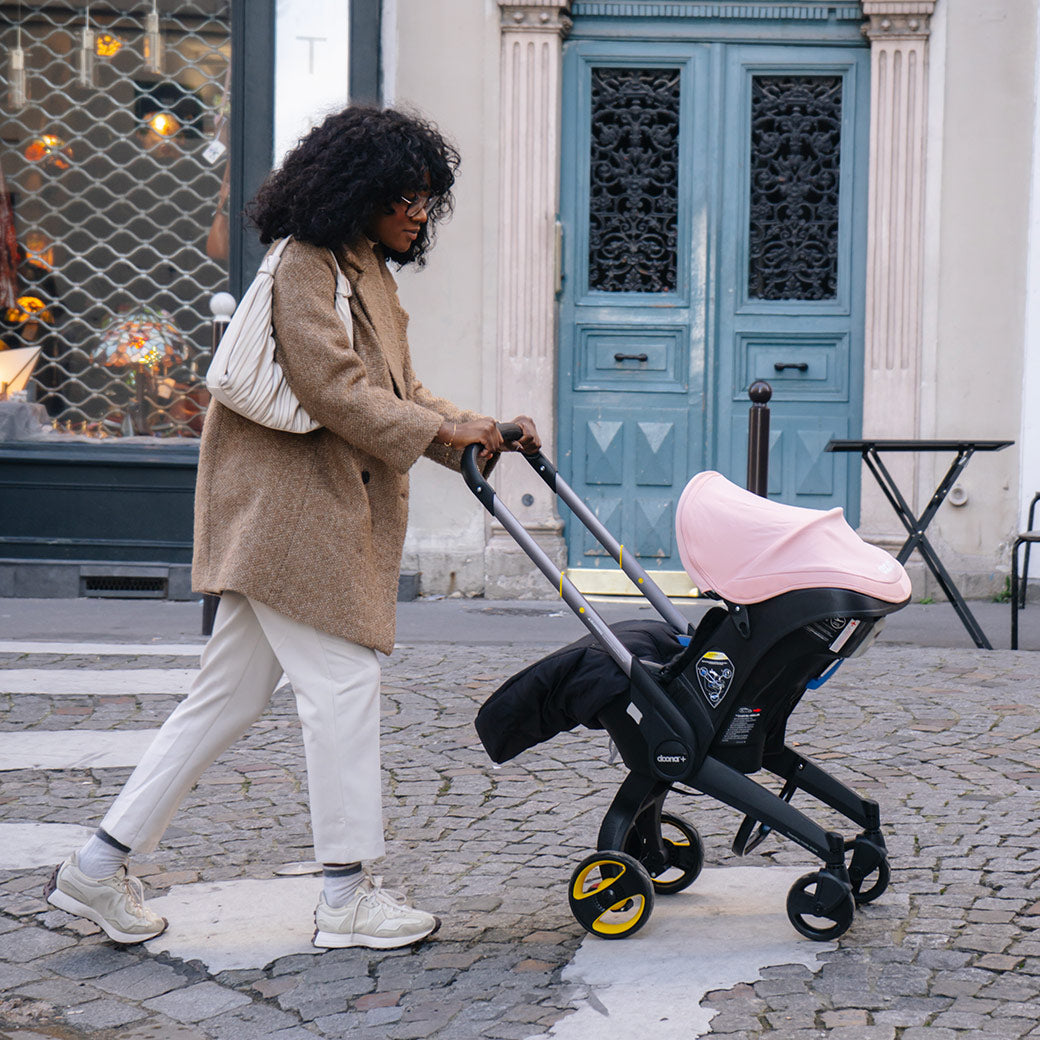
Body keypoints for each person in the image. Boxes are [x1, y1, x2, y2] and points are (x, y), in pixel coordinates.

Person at [45, 105, 541, 950]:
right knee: (343, 688)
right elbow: (333, 389)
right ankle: (346, 897)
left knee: (223, 700)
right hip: (289, 514)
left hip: (300, 510)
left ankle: (94, 871)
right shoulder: (308, 266)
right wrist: (439, 435)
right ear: (359, 191)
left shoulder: (366, 270)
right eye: (405, 197)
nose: (419, 214)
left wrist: (475, 424)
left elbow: (399, 389)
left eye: (428, 198)